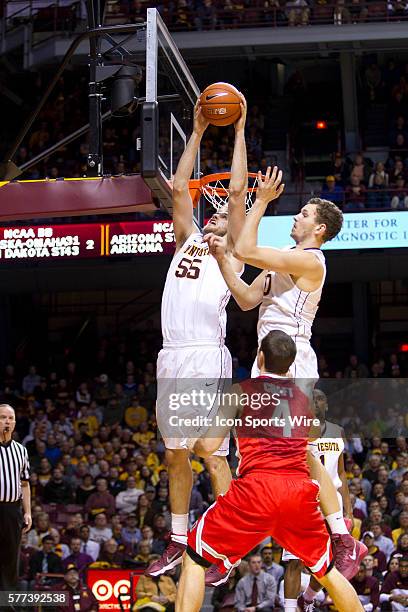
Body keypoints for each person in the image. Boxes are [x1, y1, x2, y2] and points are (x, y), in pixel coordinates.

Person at [205, 167, 364, 587]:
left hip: (291, 361)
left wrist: (260, 201)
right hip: (266, 363)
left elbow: (246, 246)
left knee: (301, 455)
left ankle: (343, 537)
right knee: (252, 457)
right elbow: (245, 298)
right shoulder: (280, 260)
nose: (297, 215)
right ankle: (227, 547)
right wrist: (223, 259)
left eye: (305, 212)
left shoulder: (309, 260)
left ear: (320, 228)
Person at [175, 331, 364, 612]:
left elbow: (208, 447)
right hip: (298, 494)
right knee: (327, 572)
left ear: (260, 356)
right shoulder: (304, 397)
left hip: (256, 490)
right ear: (290, 364)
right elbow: (312, 435)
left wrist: (189, 438)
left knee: (194, 559)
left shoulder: (240, 391)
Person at [146, 97, 248, 577]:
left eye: (223, 216)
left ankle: (228, 546)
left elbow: (235, 193)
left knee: (211, 453)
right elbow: (182, 187)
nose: (214, 216)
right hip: (172, 356)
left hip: (207, 356)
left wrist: (240, 129)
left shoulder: (236, 251)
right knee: (174, 454)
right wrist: (198, 130)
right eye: (214, 214)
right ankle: (177, 537)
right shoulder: (188, 235)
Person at [293, 388, 355, 610]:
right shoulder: (299, 429)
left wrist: (348, 510)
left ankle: (308, 598)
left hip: (332, 501)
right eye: (313, 399)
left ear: (326, 405)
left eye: (321, 398)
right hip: (307, 497)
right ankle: (294, 605)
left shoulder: (338, 431)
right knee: (296, 559)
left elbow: (341, 472)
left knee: (331, 559)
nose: (317, 402)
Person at [0, 404, 32, 590]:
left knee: (11, 559)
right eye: (3, 417)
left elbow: (25, 483)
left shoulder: (21, 450)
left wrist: (27, 512)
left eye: (11, 418)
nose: (7, 421)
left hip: (13, 510)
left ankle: (7, 606)